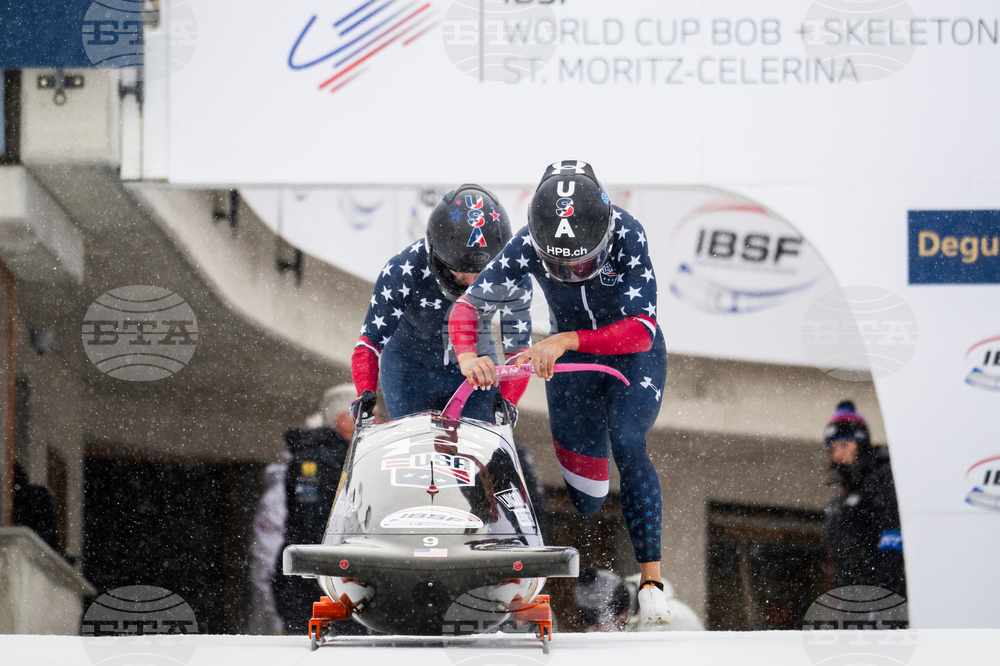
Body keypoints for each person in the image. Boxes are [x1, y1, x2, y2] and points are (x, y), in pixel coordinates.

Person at [448, 160, 671, 629]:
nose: (572, 272)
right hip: (569, 360)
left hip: (627, 353)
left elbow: (642, 331)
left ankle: (651, 582)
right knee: (587, 500)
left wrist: (566, 340)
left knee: (628, 440)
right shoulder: (527, 243)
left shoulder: (630, 235)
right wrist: (468, 355)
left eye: (584, 262)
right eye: (559, 265)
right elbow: (468, 307)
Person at [350, 185, 532, 424]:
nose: (471, 284)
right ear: (439, 258)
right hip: (410, 371)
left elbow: (518, 350)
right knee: (414, 451)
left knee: (475, 455)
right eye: (462, 271)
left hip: (477, 369)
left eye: (485, 273)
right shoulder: (402, 270)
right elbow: (370, 342)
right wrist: (365, 391)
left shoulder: (514, 274)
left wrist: (509, 399)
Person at [273, 384, 363, 635]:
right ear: (343, 419)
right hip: (315, 570)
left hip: (344, 567)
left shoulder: (360, 452)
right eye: (368, 414)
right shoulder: (313, 458)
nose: (376, 421)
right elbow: (310, 516)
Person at [823, 400, 907, 599]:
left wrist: (884, 596)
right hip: (851, 597)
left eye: (844, 444)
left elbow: (892, 538)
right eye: (833, 448)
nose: (838, 453)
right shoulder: (844, 494)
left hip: (875, 597)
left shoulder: (882, 478)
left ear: (860, 443)